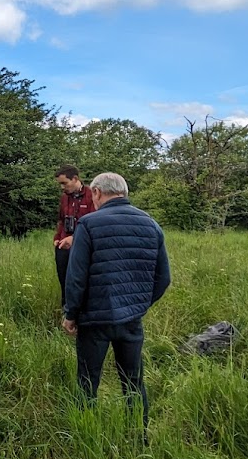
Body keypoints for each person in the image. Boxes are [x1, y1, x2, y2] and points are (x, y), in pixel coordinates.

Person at [62, 173, 170, 436]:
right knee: (133, 380)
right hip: (131, 319)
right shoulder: (151, 224)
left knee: (87, 381)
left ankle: (85, 436)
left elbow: (76, 277)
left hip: (93, 319)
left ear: (97, 192)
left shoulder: (87, 224)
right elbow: (163, 279)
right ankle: (138, 436)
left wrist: (71, 314)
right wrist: (139, 305)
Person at [53, 164, 96, 309]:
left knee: (81, 281)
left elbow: (94, 224)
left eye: (64, 183)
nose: (62, 187)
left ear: (75, 179)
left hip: (83, 247)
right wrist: (58, 237)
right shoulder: (65, 198)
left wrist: (75, 238)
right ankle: (67, 312)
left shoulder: (92, 195)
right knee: (64, 281)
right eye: (60, 184)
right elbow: (61, 219)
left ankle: (82, 313)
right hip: (64, 246)